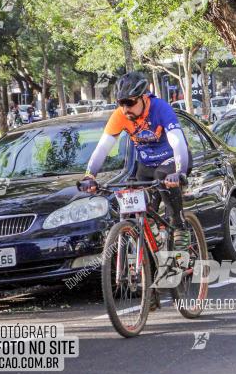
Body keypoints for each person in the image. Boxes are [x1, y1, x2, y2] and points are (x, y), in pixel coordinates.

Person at [80, 71, 192, 250]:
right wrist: (89, 176)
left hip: (173, 159)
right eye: (121, 103)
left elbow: (177, 141)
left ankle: (179, 225)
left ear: (143, 98)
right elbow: (102, 148)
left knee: (162, 174)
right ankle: (149, 252)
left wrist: (180, 172)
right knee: (131, 192)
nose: (125, 109)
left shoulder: (160, 108)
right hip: (146, 165)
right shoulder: (120, 116)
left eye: (130, 102)